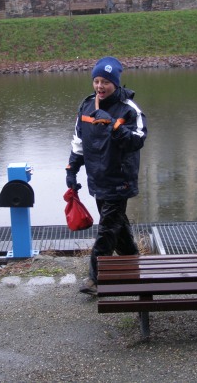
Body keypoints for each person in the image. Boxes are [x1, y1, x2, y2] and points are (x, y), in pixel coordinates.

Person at [65, 56, 147, 295]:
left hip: (120, 180)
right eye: (96, 81)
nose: (100, 86)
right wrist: (71, 170)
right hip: (97, 178)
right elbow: (79, 142)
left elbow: (138, 141)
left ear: (116, 83)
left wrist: (114, 125)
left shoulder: (129, 109)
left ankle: (95, 278)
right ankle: (133, 263)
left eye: (105, 82)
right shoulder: (87, 107)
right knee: (117, 225)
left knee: (107, 228)